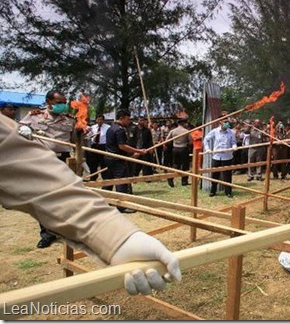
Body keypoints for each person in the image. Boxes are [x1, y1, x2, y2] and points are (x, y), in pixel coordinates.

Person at [1, 113, 181, 295]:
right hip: (109, 157)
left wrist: (117, 240)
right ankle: (117, 206)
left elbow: (29, 170)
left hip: (59, 163)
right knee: (120, 181)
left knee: (115, 180)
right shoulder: (116, 130)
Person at [18, 90, 76, 249]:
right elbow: (18, 130)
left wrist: (80, 155)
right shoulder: (34, 116)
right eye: (58, 102)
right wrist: (23, 130)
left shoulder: (70, 120)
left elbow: (75, 141)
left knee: (64, 196)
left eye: (64, 102)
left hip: (63, 159)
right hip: (42, 159)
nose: (62, 105)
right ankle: (47, 233)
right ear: (49, 102)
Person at [104, 109, 148, 213]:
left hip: (109, 157)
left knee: (109, 181)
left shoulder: (111, 128)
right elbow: (122, 146)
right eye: (127, 119)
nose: (129, 121)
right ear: (121, 118)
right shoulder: (119, 130)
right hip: (118, 159)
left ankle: (104, 202)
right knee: (121, 182)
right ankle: (122, 206)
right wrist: (138, 151)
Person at [203, 117, 237, 198]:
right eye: (225, 122)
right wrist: (207, 149)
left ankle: (228, 192)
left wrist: (234, 146)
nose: (227, 124)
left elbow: (233, 142)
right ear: (220, 122)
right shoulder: (215, 131)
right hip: (216, 157)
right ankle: (213, 191)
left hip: (227, 157)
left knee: (227, 175)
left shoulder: (231, 132)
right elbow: (206, 139)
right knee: (215, 175)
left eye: (228, 122)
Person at [165, 119, 192, 187]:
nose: (186, 124)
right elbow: (191, 142)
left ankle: (170, 177)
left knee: (175, 165)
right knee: (185, 165)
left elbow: (167, 140)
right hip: (183, 149)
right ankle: (184, 181)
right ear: (183, 123)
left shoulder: (173, 131)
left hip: (175, 149)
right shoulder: (186, 131)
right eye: (186, 123)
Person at [85, 114, 110, 181]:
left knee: (103, 163)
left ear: (103, 120)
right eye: (98, 119)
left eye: (101, 119)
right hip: (94, 146)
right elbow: (88, 137)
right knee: (93, 163)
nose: (99, 121)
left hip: (103, 146)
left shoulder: (108, 127)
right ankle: (93, 177)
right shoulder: (92, 127)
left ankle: (105, 178)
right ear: (96, 120)